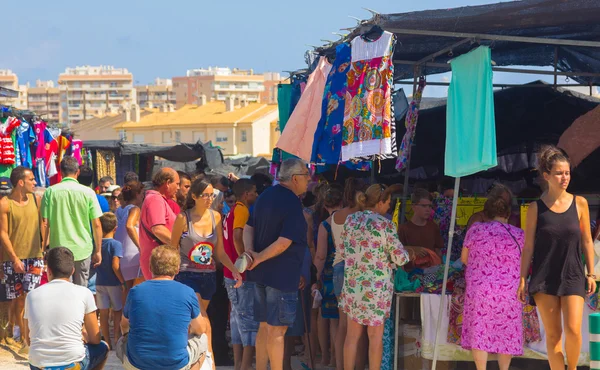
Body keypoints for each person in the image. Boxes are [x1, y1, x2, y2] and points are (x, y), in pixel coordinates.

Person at [517, 146, 596, 370]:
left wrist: (591, 272)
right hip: (544, 276)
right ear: (546, 176)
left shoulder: (580, 203)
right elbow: (528, 247)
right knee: (554, 336)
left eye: (567, 173)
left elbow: (587, 241)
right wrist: (523, 278)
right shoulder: (535, 208)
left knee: (573, 331)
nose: (565, 178)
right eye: (559, 173)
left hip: (573, 273)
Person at [243, 158, 309, 370]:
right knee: (277, 331)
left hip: (261, 274)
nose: (309, 180)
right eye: (307, 175)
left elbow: (247, 227)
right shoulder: (292, 202)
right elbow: (284, 242)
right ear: (295, 178)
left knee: (264, 328)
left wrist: (250, 253)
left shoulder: (265, 196)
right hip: (280, 276)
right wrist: (257, 256)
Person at [338, 184, 410, 370]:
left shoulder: (351, 220)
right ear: (380, 202)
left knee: (351, 337)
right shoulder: (385, 224)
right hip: (376, 290)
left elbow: (343, 251)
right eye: (388, 203)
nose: (389, 207)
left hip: (353, 286)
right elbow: (400, 258)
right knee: (375, 338)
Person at [171, 178, 242, 364]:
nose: (209, 199)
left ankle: (192, 360)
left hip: (209, 276)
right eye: (205, 195)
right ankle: (209, 361)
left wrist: (235, 270)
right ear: (194, 196)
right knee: (202, 320)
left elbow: (219, 252)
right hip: (186, 275)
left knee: (193, 323)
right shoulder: (182, 218)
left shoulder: (215, 216)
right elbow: (172, 249)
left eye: (212, 195)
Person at [117, 246, 210, 370]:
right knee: (202, 339)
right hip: (176, 364)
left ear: (150, 268)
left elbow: (124, 325)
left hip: (138, 363)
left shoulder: (135, 291)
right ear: (177, 269)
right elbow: (200, 329)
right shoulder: (187, 292)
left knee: (121, 342)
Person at [460, 189, 523, 370]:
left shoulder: (475, 230)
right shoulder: (519, 234)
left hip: (480, 291)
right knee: (507, 334)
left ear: (485, 213)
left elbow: (464, 259)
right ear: (508, 214)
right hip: (509, 292)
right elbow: (525, 262)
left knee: (480, 334)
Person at [23, 247, 109, 370]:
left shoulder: (31, 295)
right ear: (73, 270)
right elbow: (95, 339)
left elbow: (29, 340)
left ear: (49, 270)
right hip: (72, 363)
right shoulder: (84, 293)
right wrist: (82, 336)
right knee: (103, 347)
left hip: (39, 364)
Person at [0, 167, 44, 354]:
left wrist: (43, 248)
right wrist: (14, 259)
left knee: (31, 298)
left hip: (35, 258)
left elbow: (43, 223)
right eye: (31, 179)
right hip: (12, 260)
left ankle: (29, 338)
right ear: (20, 182)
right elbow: (3, 233)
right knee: (17, 300)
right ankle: (19, 334)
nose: (34, 183)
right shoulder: (5, 203)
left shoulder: (37, 199)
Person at [41, 156, 103, 287]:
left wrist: (43, 249)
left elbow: (45, 223)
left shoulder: (50, 192)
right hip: (82, 248)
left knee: (61, 289)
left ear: (61, 172)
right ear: (78, 171)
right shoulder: (88, 192)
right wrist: (98, 250)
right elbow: (96, 224)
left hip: (59, 249)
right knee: (81, 289)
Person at [331, 178, 368, 370]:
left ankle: (340, 366)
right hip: (356, 269)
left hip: (338, 267)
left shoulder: (336, 216)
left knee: (343, 325)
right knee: (358, 327)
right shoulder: (362, 217)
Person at [223, 179, 259, 370]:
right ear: (246, 194)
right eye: (254, 192)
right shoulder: (242, 210)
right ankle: (245, 365)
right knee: (248, 321)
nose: (256, 195)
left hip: (229, 273)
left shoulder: (230, 212)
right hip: (239, 275)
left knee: (236, 319)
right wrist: (243, 260)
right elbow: (238, 236)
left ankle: (238, 364)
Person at [313, 184, 344, 368]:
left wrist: (316, 278)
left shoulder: (325, 225)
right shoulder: (350, 221)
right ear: (343, 203)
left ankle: (332, 358)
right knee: (347, 321)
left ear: (325, 206)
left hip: (330, 276)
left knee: (333, 320)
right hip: (350, 272)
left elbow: (320, 255)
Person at [139, 168, 179, 280]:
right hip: (159, 262)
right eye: (177, 184)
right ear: (167, 183)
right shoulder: (155, 199)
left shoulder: (155, 198)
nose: (178, 188)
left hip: (159, 260)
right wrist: (180, 245)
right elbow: (158, 229)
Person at [96, 212, 126, 350]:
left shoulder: (96, 244)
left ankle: (107, 341)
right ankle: (116, 338)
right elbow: (115, 265)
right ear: (115, 228)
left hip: (99, 281)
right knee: (117, 311)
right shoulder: (116, 244)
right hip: (113, 283)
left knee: (103, 313)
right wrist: (123, 281)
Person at [398, 188, 444, 258]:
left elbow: (438, 251)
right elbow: (397, 251)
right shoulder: (403, 229)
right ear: (413, 207)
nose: (428, 209)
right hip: (409, 268)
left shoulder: (433, 226)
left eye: (430, 206)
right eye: (424, 206)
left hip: (431, 267)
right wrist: (413, 249)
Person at [115, 181, 144, 290]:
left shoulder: (118, 211)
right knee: (137, 290)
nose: (143, 196)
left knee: (126, 291)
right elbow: (129, 226)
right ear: (137, 194)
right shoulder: (135, 209)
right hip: (134, 256)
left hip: (121, 255)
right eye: (142, 193)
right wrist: (140, 246)